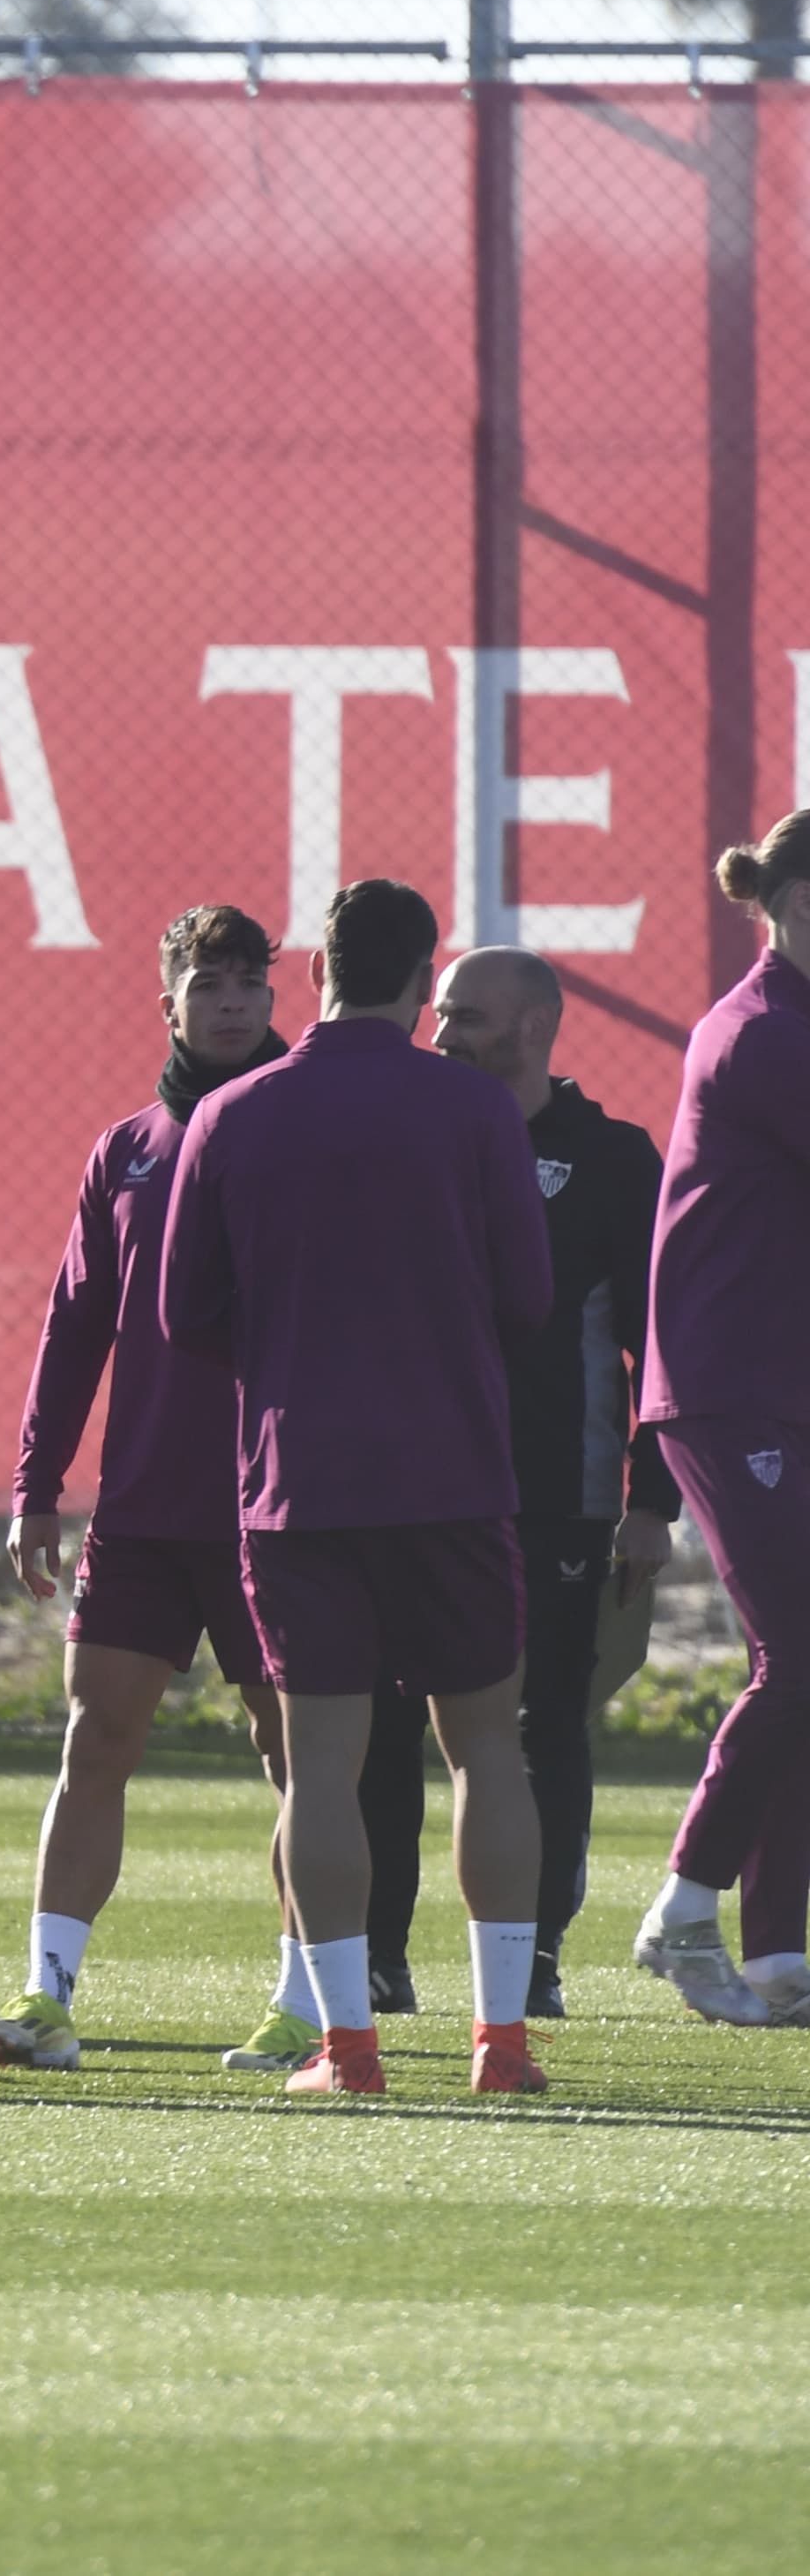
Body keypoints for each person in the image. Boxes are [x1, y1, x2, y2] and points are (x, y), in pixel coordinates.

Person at [161, 877, 553, 2096]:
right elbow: (530, 1301)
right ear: (418, 972)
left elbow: (186, 1314)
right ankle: (501, 2044)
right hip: (450, 1470)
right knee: (488, 1747)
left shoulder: (233, 1114)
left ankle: (350, 2047)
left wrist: (289, 1362)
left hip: (302, 1482)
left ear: (315, 968)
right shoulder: (474, 1111)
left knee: (321, 1765)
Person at [0, 903, 306, 2075]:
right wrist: (36, 1485)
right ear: (165, 998)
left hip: (276, 1504)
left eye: (247, 982)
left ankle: (306, 2005)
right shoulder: (124, 1149)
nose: (230, 1000)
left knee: (297, 1755)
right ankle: (47, 1998)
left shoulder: (302, 1132)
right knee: (96, 1736)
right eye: (207, 982)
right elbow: (75, 1327)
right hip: (143, 1509)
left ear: (276, 997)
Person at [349, 947, 680, 2022]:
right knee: (391, 1720)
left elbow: (658, 1341)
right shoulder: (418, 1136)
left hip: (560, 1490)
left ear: (534, 1025)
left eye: (464, 1014)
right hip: (417, 1483)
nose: (440, 1032)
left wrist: (649, 1497)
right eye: (438, 1010)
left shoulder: (613, 1158)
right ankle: (379, 1959)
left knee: (542, 1728)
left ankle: (532, 1957)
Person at [624, 810, 810, 2029]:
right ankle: (684, 1909)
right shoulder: (762, 1033)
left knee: (797, 1663)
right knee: (801, 1654)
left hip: (777, 1380)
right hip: (734, 1386)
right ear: (783, 899)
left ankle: (779, 1952)